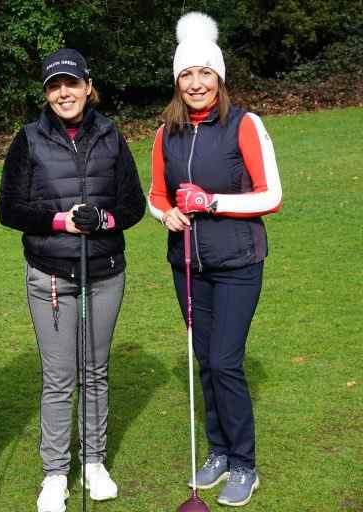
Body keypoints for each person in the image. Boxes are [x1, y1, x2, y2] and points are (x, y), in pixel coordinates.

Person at [0, 48, 146, 512]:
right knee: (60, 377)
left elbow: (133, 206)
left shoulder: (111, 135)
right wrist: (60, 221)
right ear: (47, 93)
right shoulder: (28, 139)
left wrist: (102, 219)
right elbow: (9, 209)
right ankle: (55, 474)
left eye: (71, 84)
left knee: (95, 371)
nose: (64, 93)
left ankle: (94, 463)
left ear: (87, 87)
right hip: (51, 275)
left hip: (104, 272)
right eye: (54, 86)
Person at [148, 12, 283, 507]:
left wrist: (212, 202)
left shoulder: (245, 124)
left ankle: (245, 463)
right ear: (177, 81)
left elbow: (271, 195)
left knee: (225, 361)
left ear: (219, 77)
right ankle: (219, 451)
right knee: (205, 361)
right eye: (186, 74)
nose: (196, 83)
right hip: (188, 265)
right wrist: (165, 214)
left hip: (238, 262)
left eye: (205, 72)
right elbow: (156, 195)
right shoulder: (165, 133)